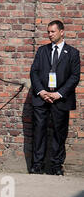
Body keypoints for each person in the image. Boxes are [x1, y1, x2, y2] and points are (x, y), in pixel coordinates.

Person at [29, 20, 80, 176]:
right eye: (48, 32)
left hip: (61, 99)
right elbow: (34, 72)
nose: (50, 34)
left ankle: (56, 166)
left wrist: (59, 94)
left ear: (61, 32)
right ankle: (37, 165)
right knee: (39, 131)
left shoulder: (72, 53)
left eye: (53, 31)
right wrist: (42, 91)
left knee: (59, 132)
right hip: (42, 98)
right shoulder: (42, 51)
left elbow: (74, 76)